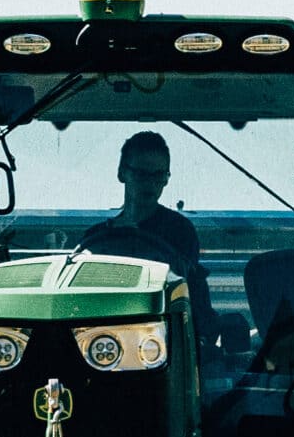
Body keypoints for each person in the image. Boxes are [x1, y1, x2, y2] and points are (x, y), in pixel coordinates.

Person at [80, 131, 216, 341]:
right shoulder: (94, 238)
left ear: (166, 178)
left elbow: (186, 296)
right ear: (121, 173)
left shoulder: (180, 231)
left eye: (159, 175)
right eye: (142, 174)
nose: (151, 183)